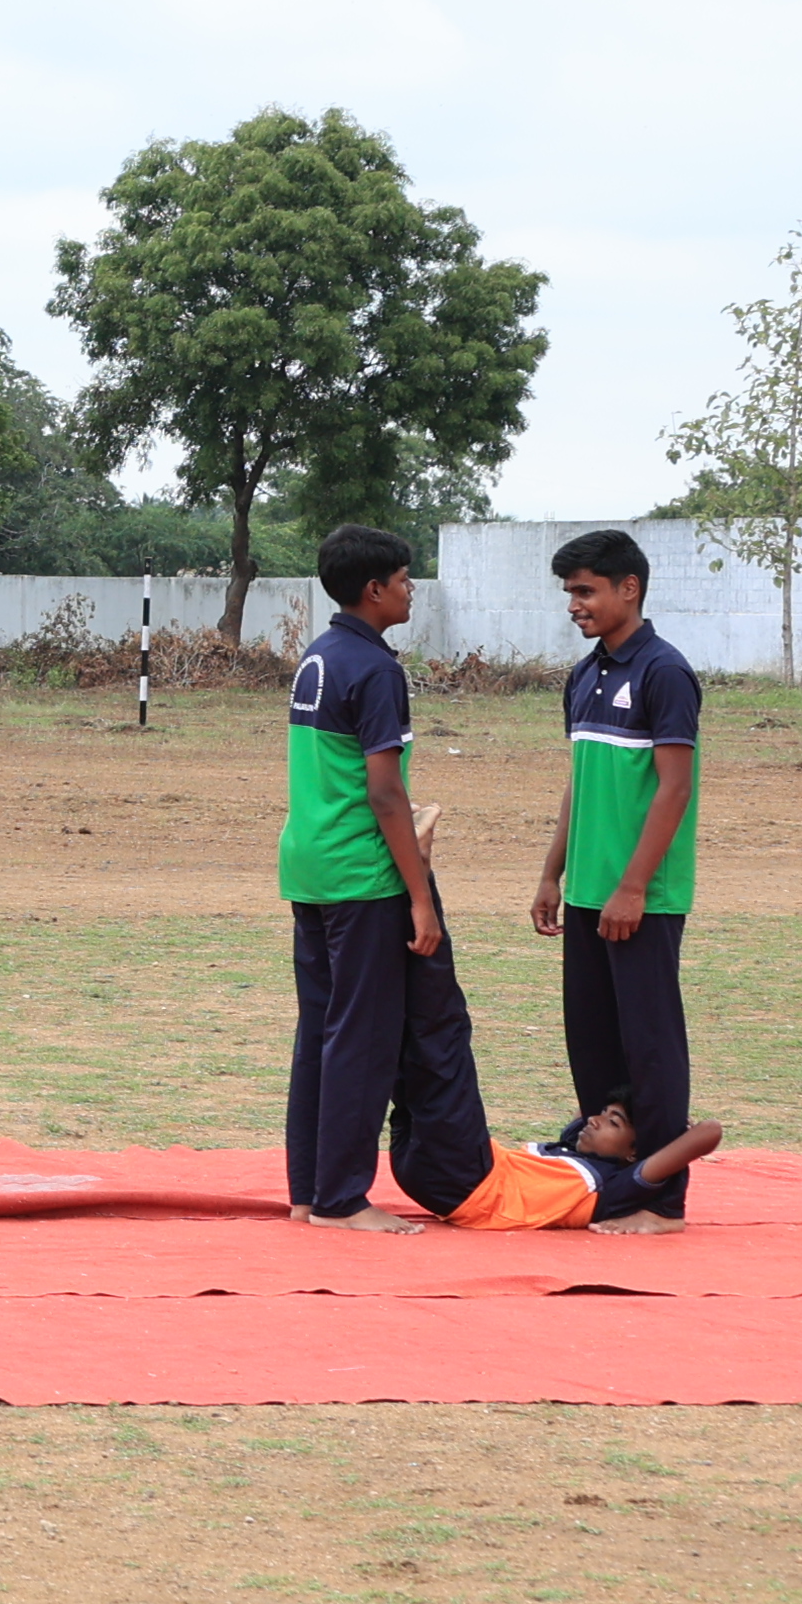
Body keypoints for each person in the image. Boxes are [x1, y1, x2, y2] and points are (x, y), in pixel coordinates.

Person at [280, 527, 462, 1237]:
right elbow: (385, 793)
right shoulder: (377, 670)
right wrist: (420, 896)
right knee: (362, 1037)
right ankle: (342, 1198)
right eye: (405, 578)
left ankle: (308, 1190)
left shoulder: (317, 657)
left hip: (310, 865)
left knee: (321, 1031)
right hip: (362, 877)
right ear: (374, 590)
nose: (411, 588)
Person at [529, 529, 705, 1175]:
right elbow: (581, 780)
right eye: (570, 594)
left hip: (642, 897)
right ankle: (606, 1171)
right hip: (586, 894)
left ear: (628, 589)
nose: (574, 604)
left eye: (586, 591)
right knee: (594, 1043)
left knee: (650, 1047)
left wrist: (633, 886)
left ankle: (662, 1193)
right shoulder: (583, 675)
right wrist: (553, 873)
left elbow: (674, 786)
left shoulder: (664, 672)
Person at [397, 1090, 721, 1235]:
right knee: (408, 1065)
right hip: (429, 1178)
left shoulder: (612, 1184)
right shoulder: (572, 1146)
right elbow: (590, 1099)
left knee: (439, 1055)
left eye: (614, 1122)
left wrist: (673, 1121)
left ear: (633, 1155)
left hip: (475, 1185)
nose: (595, 1120)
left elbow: (710, 1132)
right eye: (603, 1114)